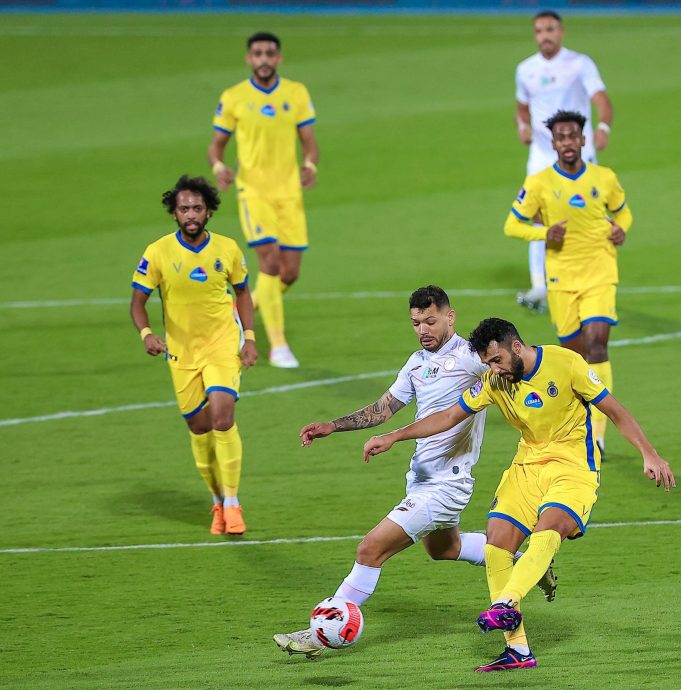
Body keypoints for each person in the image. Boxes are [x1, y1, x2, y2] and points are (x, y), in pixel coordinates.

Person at [364, 317, 675, 672]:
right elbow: (450, 415)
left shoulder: (565, 363)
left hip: (572, 468)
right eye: (487, 364)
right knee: (497, 544)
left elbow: (616, 411)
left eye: (496, 360)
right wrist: (393, 436)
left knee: (549, 529)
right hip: (526, 468)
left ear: (515, 346)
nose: (493, 370)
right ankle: (518, 651)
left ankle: (506, 602)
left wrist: (649, 453)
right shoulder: (495, 381)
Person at [273, 287, 556, 659]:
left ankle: (320, 632)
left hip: (447, 484)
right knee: (445, 548)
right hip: (421, 480)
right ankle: (528, 563)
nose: (423, 328)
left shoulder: (472, 357)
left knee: (370, 549)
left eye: (431, 320)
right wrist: (333, 425)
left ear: (450, 317)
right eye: (416, 322)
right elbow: (384, 408)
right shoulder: (417, 362)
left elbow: (512, 366)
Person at [129, 175, 258, 535]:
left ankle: (233, 502)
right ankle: (217, 500)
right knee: (199, 427)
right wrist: (147, 334)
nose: (191, 214)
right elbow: (137, 303)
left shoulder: (228, 249)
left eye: (197, 208)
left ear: (209, 211)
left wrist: (248, 338)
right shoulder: (157, 252)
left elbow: (243, 294)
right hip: (181, 353)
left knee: (221, 416)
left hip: (221, 345)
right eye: (184, 208)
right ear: (174, 212)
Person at [504, 109, 631, 457]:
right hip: (560, 278)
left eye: (573, 136)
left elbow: (623, 212)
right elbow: (512, 225)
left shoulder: (604, 177)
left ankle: (600, 434)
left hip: (600, 272)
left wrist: (622, 228)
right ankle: (582, 424)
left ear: (583, 139)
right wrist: (545, 232)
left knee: (598, 343)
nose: (568, 143)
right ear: (554, 142)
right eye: (561, 137)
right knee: (576, 356)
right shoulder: (539, 183)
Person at [209, 31, 319, 369]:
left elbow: (309, 141)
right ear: (249, 58)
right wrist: (218, 166)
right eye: (258, 53)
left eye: (270, 53)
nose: (264, 59)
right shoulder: (234, 97)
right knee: (268, 263)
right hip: (252, 192)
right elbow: (217, 144)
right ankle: (278, 346)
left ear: (279, 58)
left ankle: (235, 311)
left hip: (289, 193)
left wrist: (309, 164)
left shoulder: (296, 92)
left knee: (289, 274)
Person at [514, 11, 613, 312]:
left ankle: (594, 281)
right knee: (537, 217)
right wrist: (522, 126)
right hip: (542, 155)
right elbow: (522, 107)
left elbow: (601, 101)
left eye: (550, 29)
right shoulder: (525, 69)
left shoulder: (580, 64)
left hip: (578, 153)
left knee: (588, 215)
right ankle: (539, 287)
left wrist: (603, 127)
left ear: (562, 32)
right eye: (539, 30)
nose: (545, 35)